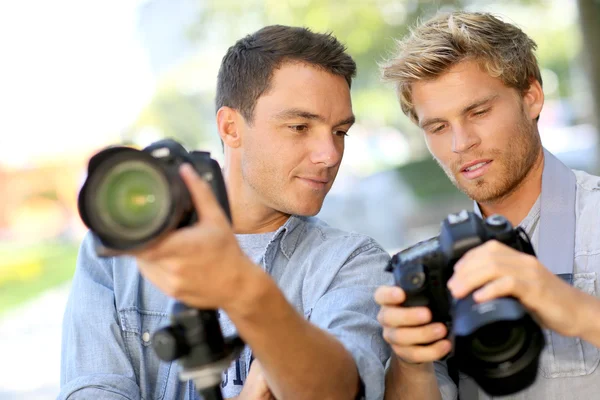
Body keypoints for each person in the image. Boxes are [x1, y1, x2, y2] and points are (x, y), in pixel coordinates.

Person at [60, 25, 391, 400]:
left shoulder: (352, 264)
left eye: (339, 132)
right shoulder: (119, 251)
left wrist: (243, 289)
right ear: (231, 127)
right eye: (299, 126)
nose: (329, 155)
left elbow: (338, 391)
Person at [376, 11, 600, 400]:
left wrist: (578, 310)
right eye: (438, 127)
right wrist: (410, 363)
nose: (461, 143)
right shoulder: (438, 272)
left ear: (531, 97)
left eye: (478, 112)